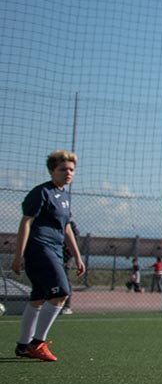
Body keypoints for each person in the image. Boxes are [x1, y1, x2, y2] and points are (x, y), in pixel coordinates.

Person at [11, 150, 84, 362]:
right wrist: (19, 255)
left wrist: (77, 256)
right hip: (39, 248)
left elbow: (66, 227)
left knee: (39, 297)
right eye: (63, 169)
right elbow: (26, 222)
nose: (68, 173)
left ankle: (24, 345)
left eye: (71, 169)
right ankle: (37, 343)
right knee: (61, 291)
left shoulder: (65, 195)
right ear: (52, 171)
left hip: (55, 249)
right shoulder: (41, 192)